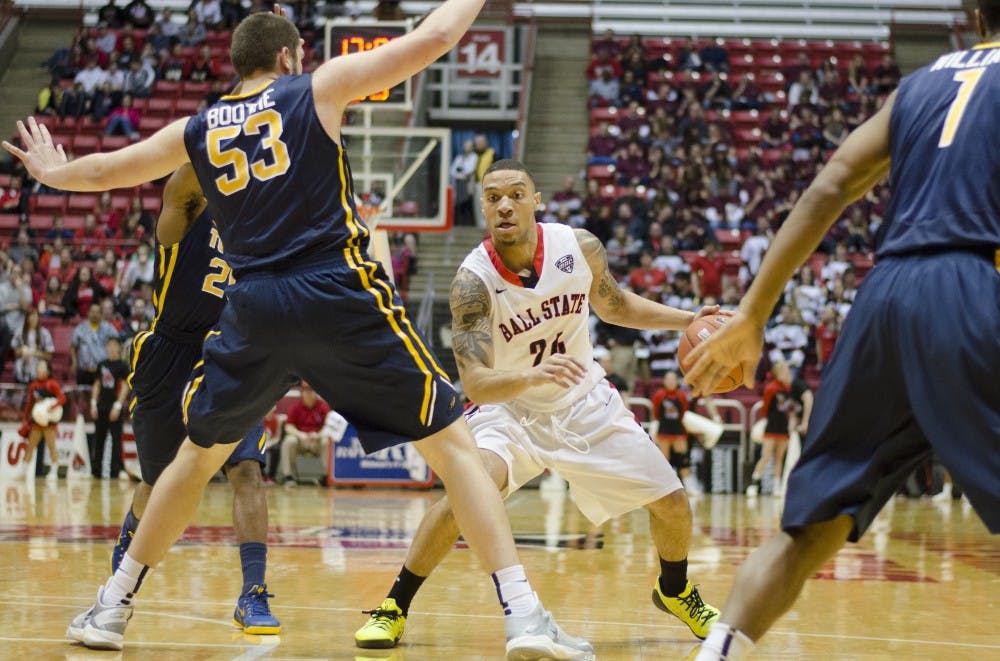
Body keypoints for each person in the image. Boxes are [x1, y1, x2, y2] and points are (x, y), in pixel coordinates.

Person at [5, 7, 589, 658]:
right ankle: (524, 615)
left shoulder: (198, 126)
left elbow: (109, 170)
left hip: (252, 304)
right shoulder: (317, 86)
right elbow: (436, 37)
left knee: (196, 458)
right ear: (288, 57)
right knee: (454, 446)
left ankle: (110, 607)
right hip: (334, 289)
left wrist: (52, 171)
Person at [682, 3, 1000, 658]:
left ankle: (720, 650)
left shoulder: (923, 83)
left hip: (884, 295)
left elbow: (832, 183)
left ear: (972, 14)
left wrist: (752, 311)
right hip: (971, 283)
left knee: (811, 527)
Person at [355, 160, 721, 650]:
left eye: (516, 194)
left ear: (536, 199)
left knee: (673, 505)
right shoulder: (472, 282)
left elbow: (614, 305)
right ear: (483, 207)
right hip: (509, 412)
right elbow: (477, 384)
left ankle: (674, 589)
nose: (504, 204)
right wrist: (530, 375)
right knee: (466, 493)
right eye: (493, 197)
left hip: (584, 402)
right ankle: (394, 605)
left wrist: (688, 320)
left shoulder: (579, 247)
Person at [106, 180, 280, 634]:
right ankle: (124, 568)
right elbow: (187, 163)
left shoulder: (266, 221)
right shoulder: (192, 202)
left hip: (228, 354)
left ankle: (253, 594)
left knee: (246, 468)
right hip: (171, 350)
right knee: (157, 480)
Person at [746, 361, 811, 497]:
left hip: (784, 429)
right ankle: (753, 484)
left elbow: (793, 409)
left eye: (787, 370)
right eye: (784, 370)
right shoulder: (771, 388)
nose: (787, 373)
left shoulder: (788, 389)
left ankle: (776, 487)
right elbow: (765, 408)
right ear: (777, 373)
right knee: (766, 455)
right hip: (772, 427)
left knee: (779, 459)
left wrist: (794, 417)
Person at [89, 336, 130, 479]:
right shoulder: (101, 365)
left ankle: (116, 470)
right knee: (98, 439)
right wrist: (93, 403)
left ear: (119, 348)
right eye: (109, 345)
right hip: (101, 406)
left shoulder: (123, 366)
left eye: (114, 345)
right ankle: (96, 470)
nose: (111, 348)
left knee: (116, 439)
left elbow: (125, 386)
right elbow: (97, 385)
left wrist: (118, 406)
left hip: (114, 407)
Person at [278, 381, 332, 485]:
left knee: (327, 441)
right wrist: (299, 434)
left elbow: (329, 426)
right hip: (301, 441)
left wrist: (319, 434)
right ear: (302, 392)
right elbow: (288, 426)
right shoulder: (296, 407)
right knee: (289, 441)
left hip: (317, 441)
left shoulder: (323, 407)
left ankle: (326, 477)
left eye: (311, 391)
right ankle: (288, 476)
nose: (309, 393)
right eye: (306, 391)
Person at [21, 359, 66, 481]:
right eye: (38, 367)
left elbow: (62, 398)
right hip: (37, 422)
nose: (39, 369)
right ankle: (23, 472)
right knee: (30, 446)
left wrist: (52, 407)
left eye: (42, 367)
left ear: (48, 371)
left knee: (51, 446)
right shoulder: (33, 386)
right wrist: (25, 419)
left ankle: (54, 471)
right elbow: (29, 404)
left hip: (49, 423)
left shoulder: (52, 384)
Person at [13, 308, 55, 384]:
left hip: (38, 372)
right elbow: (15, 352)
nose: (33, 319)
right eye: (31, 316)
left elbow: (49, 355)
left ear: (38, 318)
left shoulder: (45, 333)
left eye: (35, 316)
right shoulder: (19, 332)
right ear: (27, 318)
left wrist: (34, 353)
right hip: (22, 371)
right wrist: (22, 351)